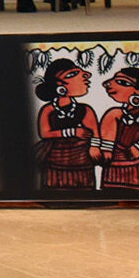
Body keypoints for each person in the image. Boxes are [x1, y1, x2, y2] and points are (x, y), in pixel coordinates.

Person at [35, 59, 97, 189]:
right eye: (72, 74)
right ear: (59, 84)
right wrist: (72, 132)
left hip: (82, 160)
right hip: (55, 159)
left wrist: (95, 148)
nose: (86, 76)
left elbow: (95, 134)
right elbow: (45, 133)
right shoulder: (48, 110)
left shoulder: (85, 109)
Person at [95, 67, 139, 190]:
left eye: (123, 83)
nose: (109, 84)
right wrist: (106, 152)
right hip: (116, 164)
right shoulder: (115, 113)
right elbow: (107, 132)